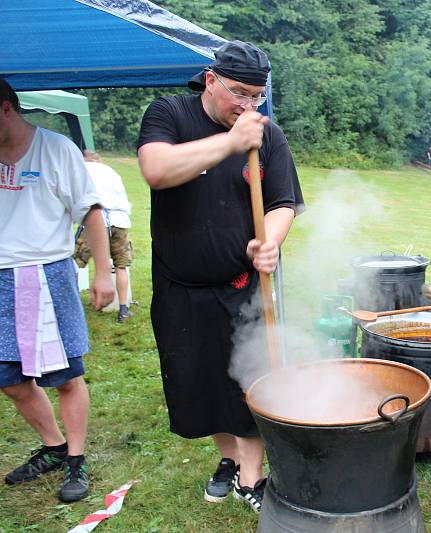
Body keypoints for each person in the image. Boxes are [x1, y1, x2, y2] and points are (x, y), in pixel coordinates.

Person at [137, 40, 304, 513]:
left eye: (257, 96)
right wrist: (230, 143)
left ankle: (252, 479)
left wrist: (270, 241)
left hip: (245, 287)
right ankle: (228, 459)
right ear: (210, 80)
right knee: (203, 379)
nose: (248, 106)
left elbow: (283, 202)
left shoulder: (267, 135)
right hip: (181, 285)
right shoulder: (169, 114)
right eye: (239, 93)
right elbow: (156, 169)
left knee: (251, 379)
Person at [0, 79, 115, 502]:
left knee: (64, 375)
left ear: (7, 108)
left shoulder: (55, 149)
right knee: (8, 378)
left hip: (45, 273)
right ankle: (53, 445)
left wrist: (103, 272)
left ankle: (77, 459)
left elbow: (91, 211)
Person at [73, 150, 134, 323]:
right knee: (121, 266)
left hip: (95, 221)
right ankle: (123, 309)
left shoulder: (80, 169)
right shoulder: (111, 171)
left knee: (76, 263)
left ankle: (73, 305)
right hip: (120, 221)